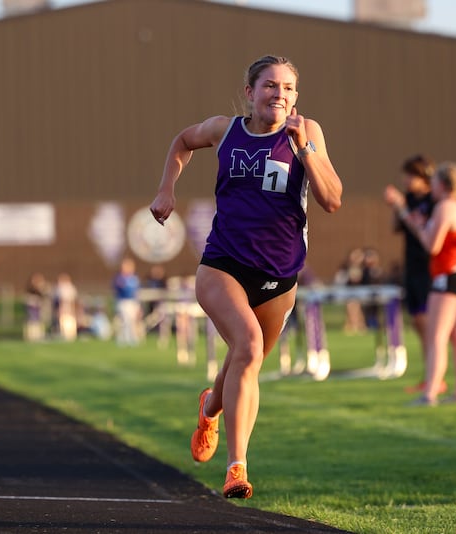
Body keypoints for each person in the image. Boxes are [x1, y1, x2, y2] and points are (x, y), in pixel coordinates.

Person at [149, 55, 342, 498]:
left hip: (280, 274)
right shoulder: (225, 130)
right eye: (270, 86)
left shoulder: (307, 133)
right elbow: (182, 140)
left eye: (289, 88)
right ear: (250, 92)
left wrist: (305, 150)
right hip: (223, 265)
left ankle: (209, 407)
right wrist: (166, 188)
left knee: (245, 359)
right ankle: (237, 468)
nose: (280, 94)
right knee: (249, 347)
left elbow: (332, 200)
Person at [397, 162, 456, 406]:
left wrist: (418, 225)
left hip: (448, 274)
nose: (431, 187)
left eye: (433, 183)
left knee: (437, 337)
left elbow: (433, 246)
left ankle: (430, 393)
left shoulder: (445, 206)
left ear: (442, 184)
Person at [383, 155, 438, 393]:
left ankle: (434, 377)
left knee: (428, 323)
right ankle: (430, 375)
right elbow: (397, 227)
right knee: (417, 320)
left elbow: (424, 232)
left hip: (428, 267)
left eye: (411, 175)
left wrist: (403, 208)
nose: (406, 180)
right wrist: (396, 207)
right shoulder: (408, 199)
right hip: (412, 265)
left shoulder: (433, 200)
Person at [112, 257, 142, 346]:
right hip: (123, 302)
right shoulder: (119, 278)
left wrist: (138, 305)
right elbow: (119, 290)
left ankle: (132, 338)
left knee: (133, 321)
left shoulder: (134, 278)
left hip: (133, 302)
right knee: (125, 320)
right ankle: (123, 339)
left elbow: (137, 292)